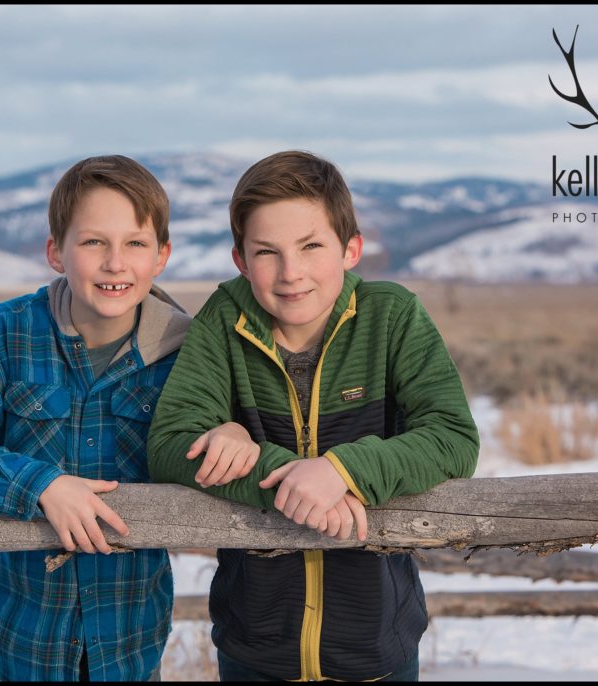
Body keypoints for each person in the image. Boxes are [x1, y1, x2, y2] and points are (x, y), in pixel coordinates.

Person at [147, 150, 479, 681]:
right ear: (239, 259)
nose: (290, 273)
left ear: (352, 248)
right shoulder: (223, 320)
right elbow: (170, 443)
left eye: (311, 246)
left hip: (377, 645)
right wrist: (280, 473)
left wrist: (341, 471)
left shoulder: (391, 317)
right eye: (266, 252)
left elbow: (453, 437)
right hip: (255, 645)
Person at [0, 155, 191, 681]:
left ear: (162, 255)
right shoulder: (5, 334)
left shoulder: (189, 354)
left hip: (130, 627)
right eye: (93, 242)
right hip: (22, 624)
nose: (115, 262)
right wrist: (40, 484)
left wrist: (233, 432)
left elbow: (217, 440)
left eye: (135, 243)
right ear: (56, 252)